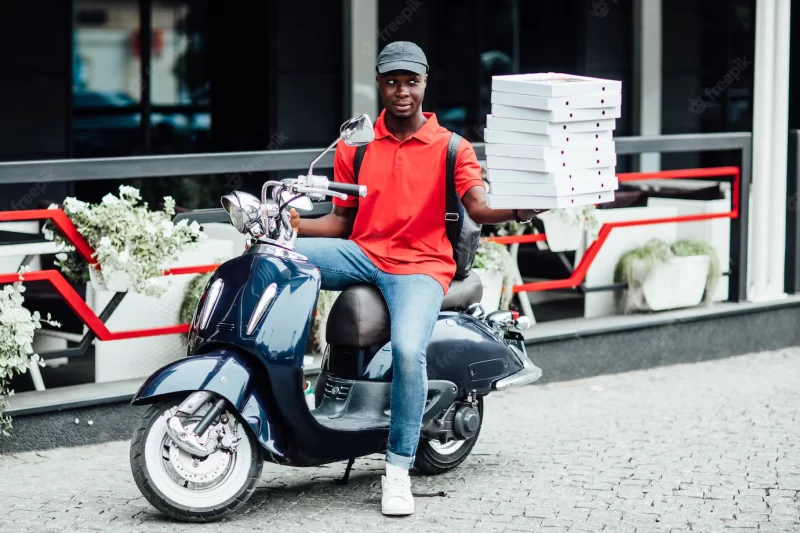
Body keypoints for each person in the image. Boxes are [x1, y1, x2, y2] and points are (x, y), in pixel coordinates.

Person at [292, 41, 546, 516]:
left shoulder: (453, 147)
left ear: (425, 84)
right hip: (363, 253)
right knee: (281, 261)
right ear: (380, 84)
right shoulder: (355, 146)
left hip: (422, 268)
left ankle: (397, 472)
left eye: (411, 81)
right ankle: (295, 387)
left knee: (410, 351)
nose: (402, 91)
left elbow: (478, 206)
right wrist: (290, 226)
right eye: (392, 81)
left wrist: (521, 208)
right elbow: (341, 223)